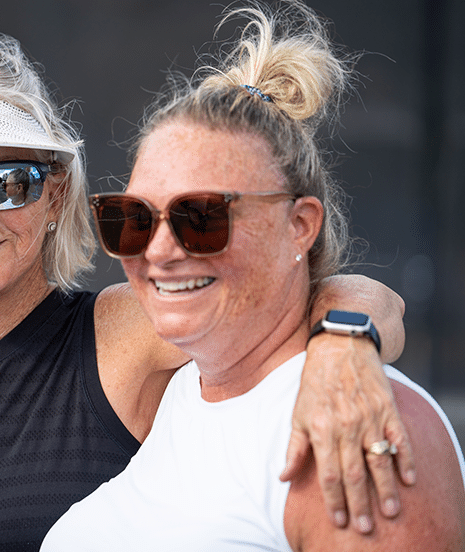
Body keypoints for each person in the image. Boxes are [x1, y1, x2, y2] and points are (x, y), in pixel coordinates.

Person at [0, 26, 411, 552]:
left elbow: (344, 292)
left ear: (55, 195)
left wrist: (344, 350)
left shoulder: (122, 335)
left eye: (10, 182)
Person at [41, 2, 465, 550]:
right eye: (134, 219)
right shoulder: (180, 383)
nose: (159, 252)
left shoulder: (355, 423)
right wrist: (347, 334)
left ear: (299, 226)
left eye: (202, 217)